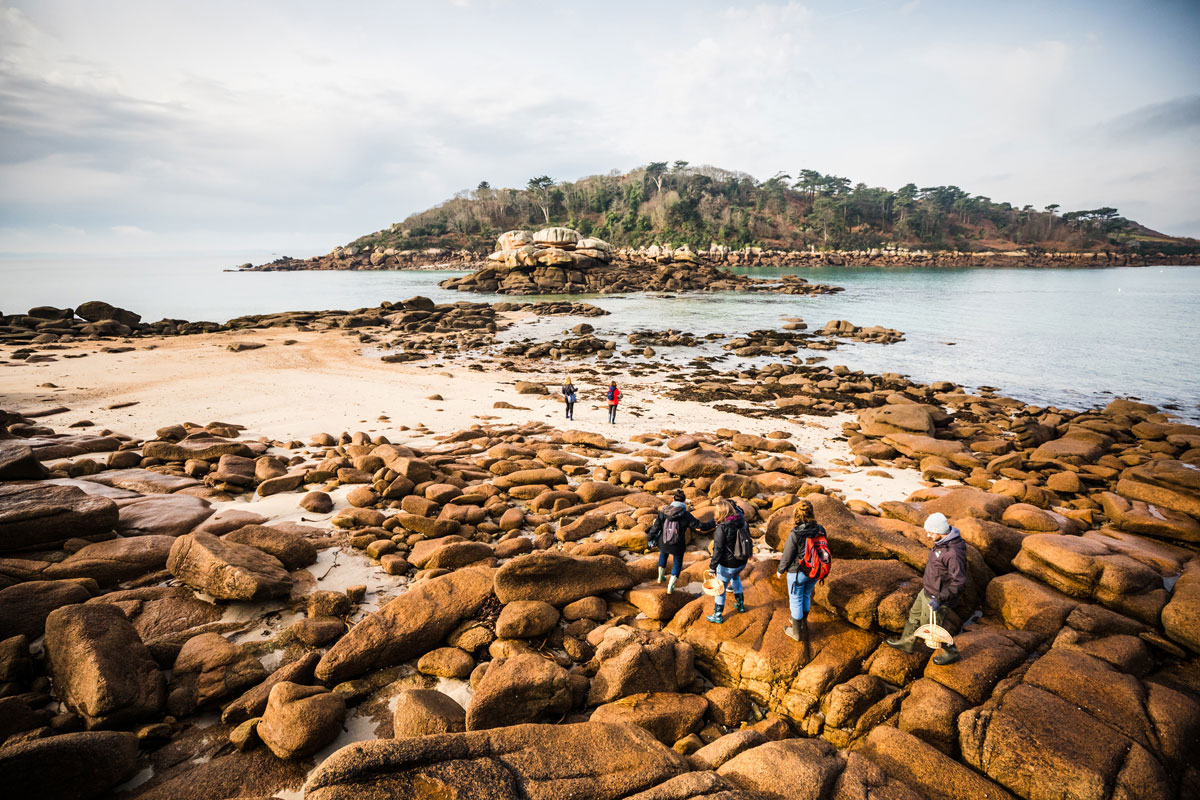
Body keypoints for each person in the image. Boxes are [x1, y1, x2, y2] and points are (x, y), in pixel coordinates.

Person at [886, 512, 966, 665]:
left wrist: (939, 600)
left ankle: (952, 652)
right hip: (928, 590)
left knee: (930, 628)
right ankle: (906, 642)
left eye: (930, 532)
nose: (928, 536)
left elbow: (959, 583)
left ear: (939, 530)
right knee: (914, 615)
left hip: (938, 596)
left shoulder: (953, 553)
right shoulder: (942, 542)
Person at [775, 499, 829, 660]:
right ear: (812, 513)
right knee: (806, 595)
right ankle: (802, 622)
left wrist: (780, 570)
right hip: (815, 570)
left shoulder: (796, 533)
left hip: (798, 571)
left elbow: (787, 555)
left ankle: (796, 631)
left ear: (796, 515)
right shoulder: (820, 529)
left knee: (796, 599)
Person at [647, 490, 714, 593]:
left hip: (663, 542)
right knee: (677, 563)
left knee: (663, 555)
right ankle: (670, 587)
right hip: (677, 545)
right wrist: (713, 522)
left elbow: (656, 527)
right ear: (684, 502)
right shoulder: (686, 515)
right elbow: (701, 526)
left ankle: (660, 578)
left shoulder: (663, 511)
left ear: (673, 500)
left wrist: (650, 538)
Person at [706, 498, 753, 624]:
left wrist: (712, 567)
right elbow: (749, 539)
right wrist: (750, 553)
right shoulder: (742, 521)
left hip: (728, 565)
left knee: (720, 589)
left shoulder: (722, 528)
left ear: (721, 512)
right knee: (736, 578)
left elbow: (718, 549)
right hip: (742, 562)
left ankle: (717, 615)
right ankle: (740, 605)